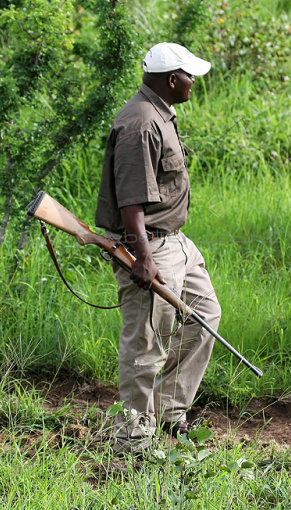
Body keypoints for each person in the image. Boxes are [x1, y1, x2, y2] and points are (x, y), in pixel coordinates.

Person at [95, 42, 222, 454]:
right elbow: (131, 199)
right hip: (149, 246)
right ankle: (131, 441)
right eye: (190, 77)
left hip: (175, 241)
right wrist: (143, 258)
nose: (193, 84)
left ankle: (167, 413)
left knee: (203, 315)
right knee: (146, 346)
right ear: (172, 79)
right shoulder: (140, 123)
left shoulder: (161, 114)